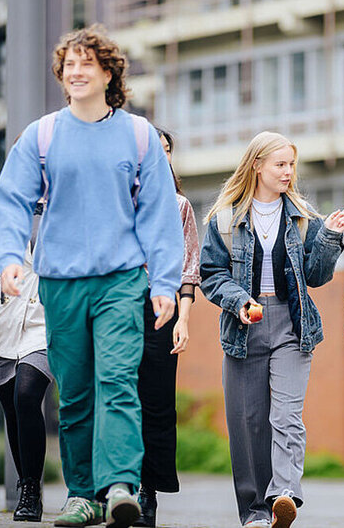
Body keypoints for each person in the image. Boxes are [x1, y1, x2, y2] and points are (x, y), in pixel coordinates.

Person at [0, 25, 183, 528]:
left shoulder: (138, 136)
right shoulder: (44, 134)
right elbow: (10, 200)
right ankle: (81, 494)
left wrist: (164, 284)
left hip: (121, 280)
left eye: (85, 63)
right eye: (68, 64)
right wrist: (11, 257)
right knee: (74, 391)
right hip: (60, 281)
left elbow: (160, 216)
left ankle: (119, 484)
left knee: (117, 380)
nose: (75, 72)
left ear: (108, 72)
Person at [199, 131, 344, 528]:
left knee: (286, 415)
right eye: (280, 164)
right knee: (247, 422)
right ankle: (254, 513)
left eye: (291, 165)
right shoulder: (226, 218)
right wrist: (238, 301)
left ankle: (284, 494)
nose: (288, 172)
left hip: (291, 323)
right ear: (257, 166)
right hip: (243, 323)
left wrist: (330, 238)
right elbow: (210, 275)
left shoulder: (303, 217)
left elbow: (315, 277)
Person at [134, 129, 201, 528]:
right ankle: (113, 487)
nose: (159, 157)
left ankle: (148, 493)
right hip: (119, 305)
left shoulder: (179, 206)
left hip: (164, 309)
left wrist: (185, 320)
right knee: (119, 395)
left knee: (156, 401)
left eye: (166, 151)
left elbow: (188, 267)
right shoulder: (119, 201)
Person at [0, 200, 51, 522]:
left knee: (27, 396)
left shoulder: (67, 189)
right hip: (2, 319)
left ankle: (30, 490)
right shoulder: (2, 200)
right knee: (13, 410)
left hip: (47, 319)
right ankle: (27, 481)